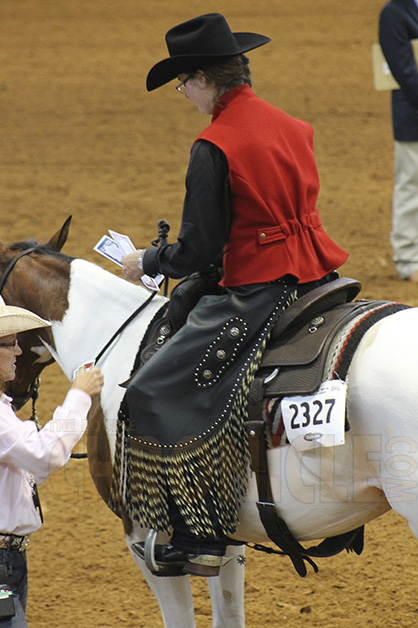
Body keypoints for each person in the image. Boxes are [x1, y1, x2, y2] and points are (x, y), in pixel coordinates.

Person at [118, 12, 348, 578]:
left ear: (201, 79)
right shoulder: (292, 125)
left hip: (257, 284)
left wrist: (146, 260)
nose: (184, 96)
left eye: (182, 84)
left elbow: (196, 251)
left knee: (153, 389)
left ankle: (198, 535)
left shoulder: (213, 145)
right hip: (316, 273)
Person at [0, 297, 103, 627]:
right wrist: (79, 395)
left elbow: (24, 471)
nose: (18, 352)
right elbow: (46, 456)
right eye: (9, 344)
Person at [379, 0, 418, 281]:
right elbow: (404, 70)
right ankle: (409, 259)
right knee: (411, 185)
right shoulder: (394, 13)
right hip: (413, 117)